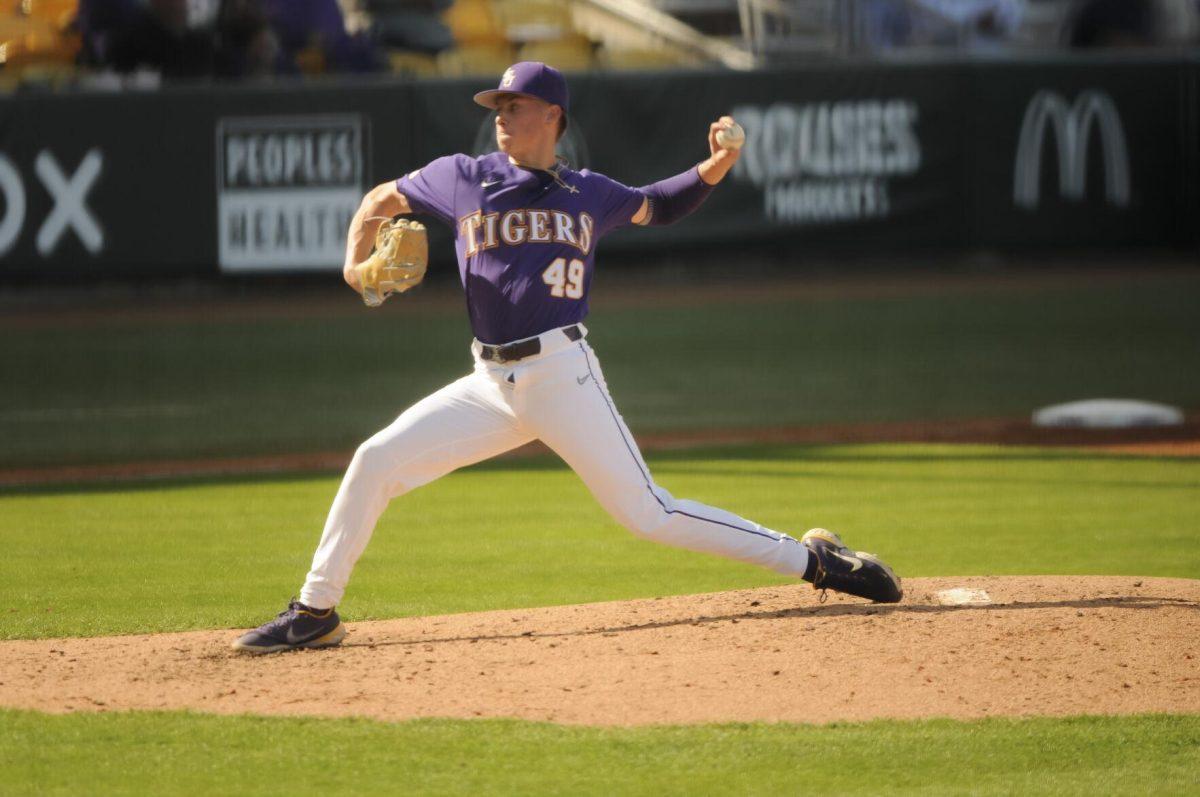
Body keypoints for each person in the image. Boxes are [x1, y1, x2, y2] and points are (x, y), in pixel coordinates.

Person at [232, 62, 903, 654]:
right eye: (497, 107)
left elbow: (659, 206)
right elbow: (381, 200)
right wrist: (356, 269)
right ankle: (315, 611)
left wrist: (716, 166)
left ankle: (815, 561)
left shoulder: (588, 191)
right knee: (375, 458)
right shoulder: (461, 177)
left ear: (553, 116)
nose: (502, 117)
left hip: (563, 375)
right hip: (489, 383)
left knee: (650, 514)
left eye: (515, 106)